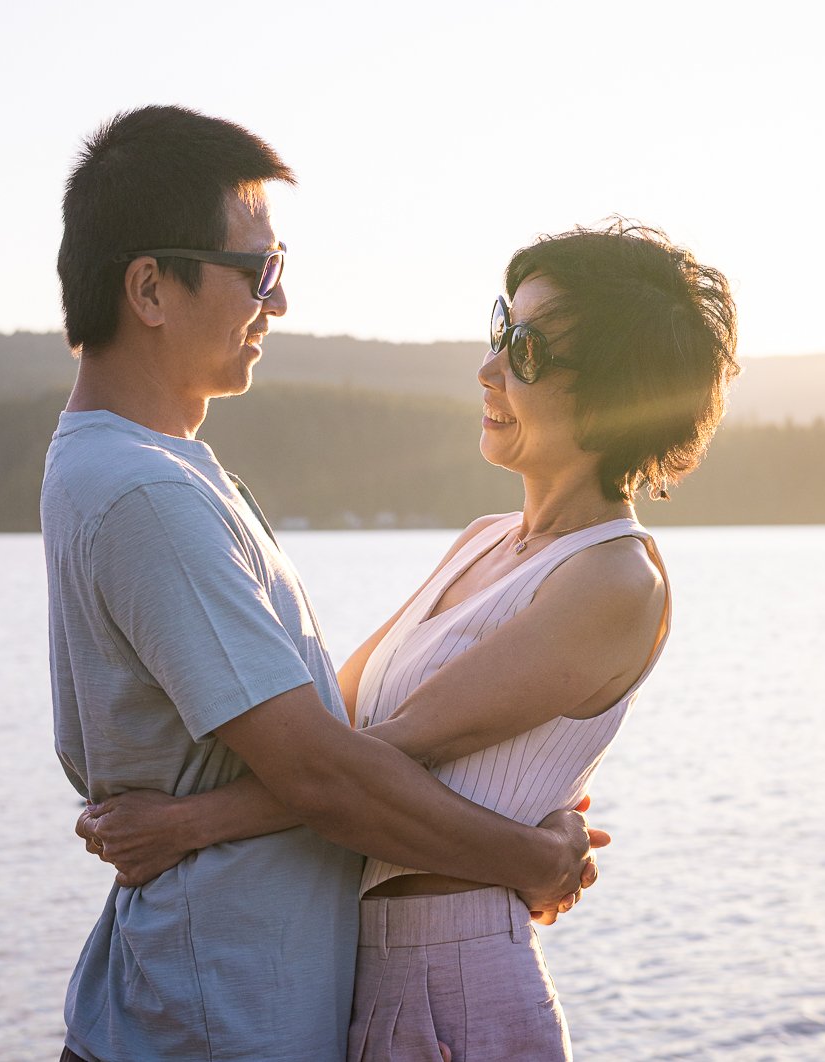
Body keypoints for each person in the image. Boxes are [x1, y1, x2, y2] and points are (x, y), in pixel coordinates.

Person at [79, 217, 740, 1060]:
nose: (489, 367)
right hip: (364, 982)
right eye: (503, 327)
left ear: (618, 398)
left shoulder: (613, 581)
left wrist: (184, 824)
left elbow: (376, 758)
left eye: (528, 352)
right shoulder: (480, 540)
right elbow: (336, 727)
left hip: (458, 987)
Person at [44, 105, 599, 1062]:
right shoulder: (144, 492)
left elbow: (324, 740)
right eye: (259, 271)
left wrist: (185, 820)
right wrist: (532, 861)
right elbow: (323, 774)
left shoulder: (151, 469)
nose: (279, 303)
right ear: (150, 288)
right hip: (214, 1024)